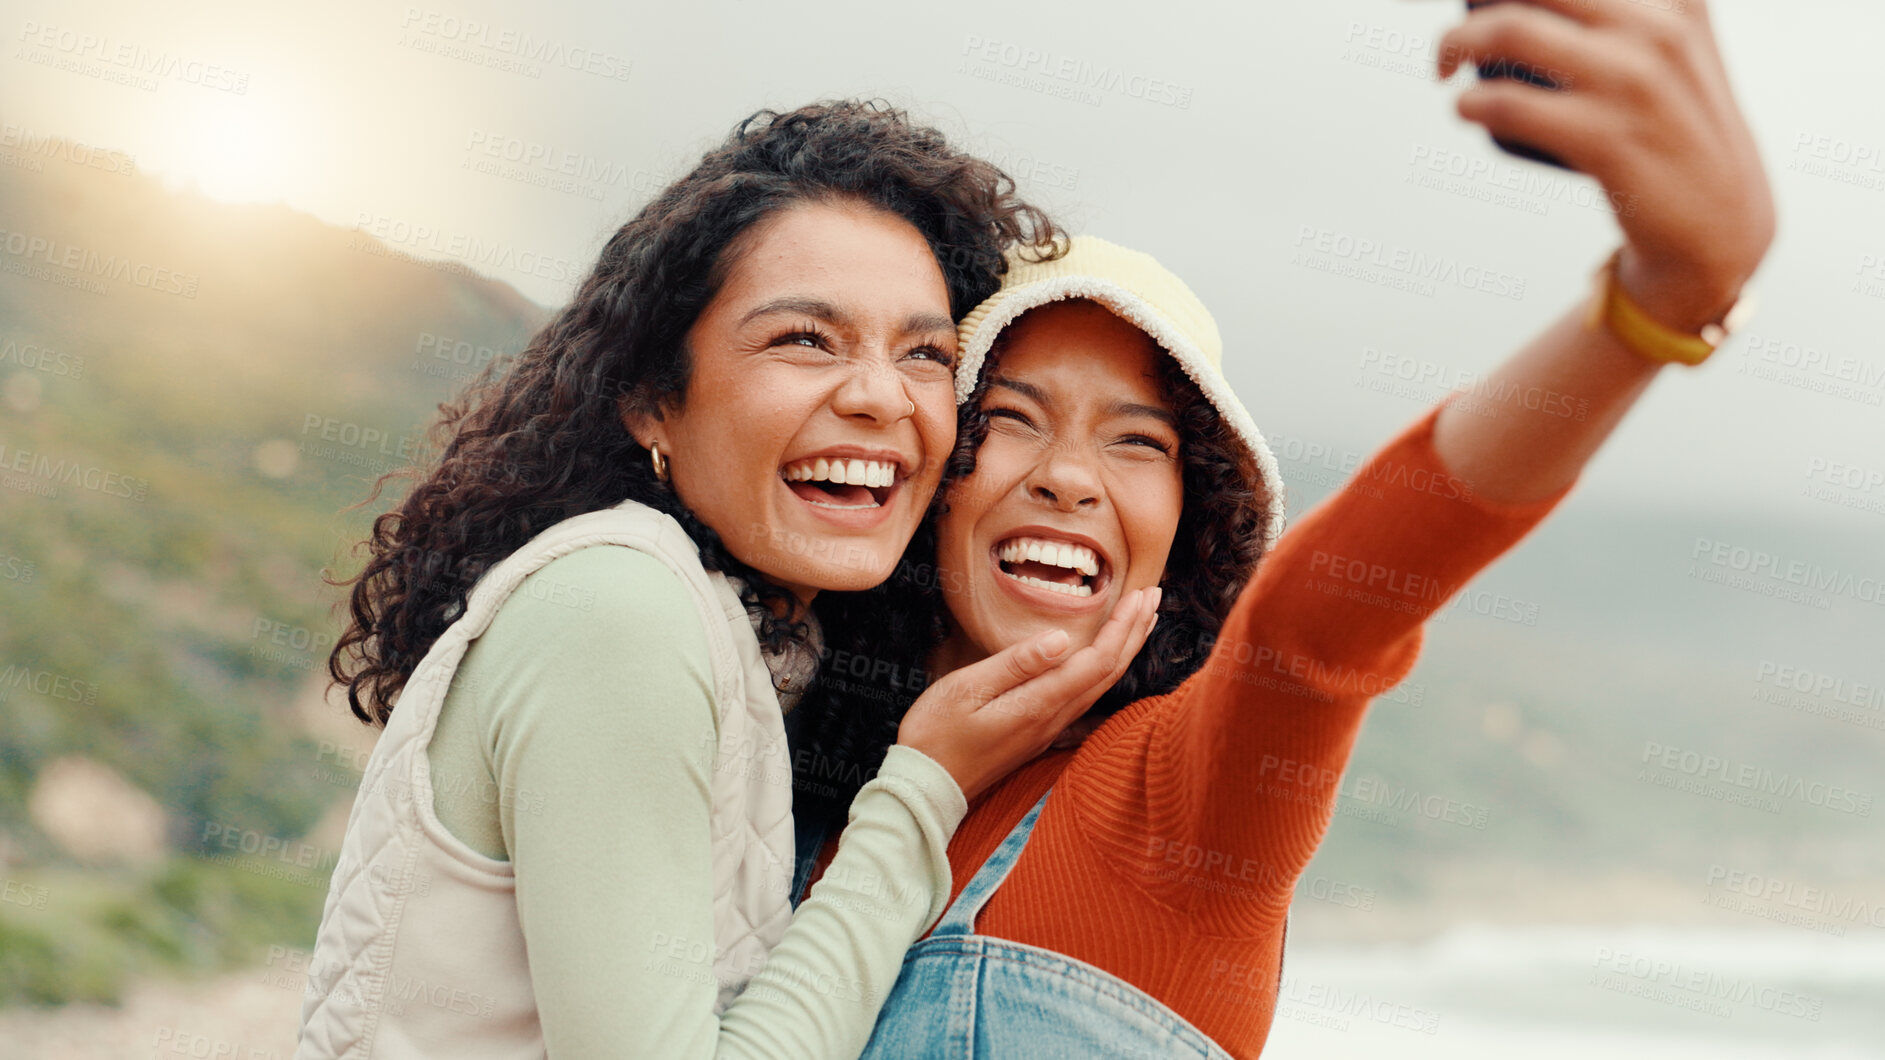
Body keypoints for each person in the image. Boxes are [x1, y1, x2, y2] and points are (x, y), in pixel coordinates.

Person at [795, 2, 1776, 1055]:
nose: (1069, 478)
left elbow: (1319, 628)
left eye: (1138, 443)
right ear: (931, 475)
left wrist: (1656, 308)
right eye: (1012, 420)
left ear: (1188, 525)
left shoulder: (1185, 801)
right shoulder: (799, 821)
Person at [297, 100, 1157, 1060]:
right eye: (805, 340)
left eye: (924, 354)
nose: (879, 396)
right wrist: (928, 786)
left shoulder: (740, 643)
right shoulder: (621, 610)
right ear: (650, 400)